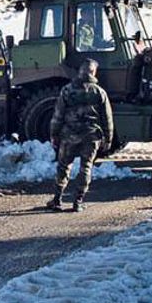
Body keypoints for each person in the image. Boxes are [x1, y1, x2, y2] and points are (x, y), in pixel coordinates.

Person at [47, 59, 113, 212]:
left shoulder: (67, 90)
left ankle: (57, 199)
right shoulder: (99, 92)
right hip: (91, 136)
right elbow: (107, 118)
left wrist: (54, 134)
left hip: (69, 135)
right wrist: (108, 138)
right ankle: (78, 201)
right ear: (93, 72)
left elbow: (58, 115)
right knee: (86, 167)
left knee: (63, 166)